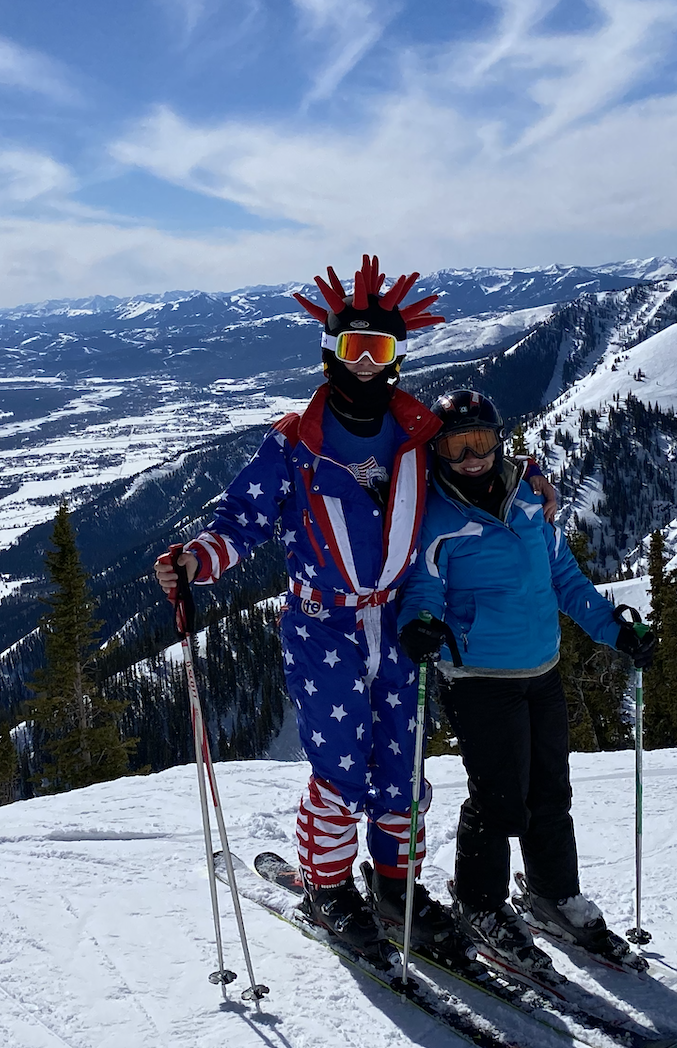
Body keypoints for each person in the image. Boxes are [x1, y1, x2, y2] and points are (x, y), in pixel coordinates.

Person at [154, 254, 460, 960]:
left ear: (397, 356)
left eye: (377, 349)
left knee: (402, 766)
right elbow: (244, 520)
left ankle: (395, 884)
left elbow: (478, 478)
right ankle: (328, 887)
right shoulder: (295, 444)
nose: (363, 363)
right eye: (351, 347)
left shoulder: (419, 438)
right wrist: (198, 561)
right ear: (329, 350)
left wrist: (530, 486)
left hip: (400, 622)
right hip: (324, 623)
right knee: (341, 762)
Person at [397, 388, 654, 974]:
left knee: (550, 794)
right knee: (498, 800)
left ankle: (552, 894)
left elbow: (564, 576)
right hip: (479, 677)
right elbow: (424, 587)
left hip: (542, 668)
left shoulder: (531, 503)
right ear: (438, 450)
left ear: (498, 440)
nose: (471, 457)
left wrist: (616, 630)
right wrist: (420, 624)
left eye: (481, 442)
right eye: (457, 446)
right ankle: (480, 905)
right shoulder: (436, 515)